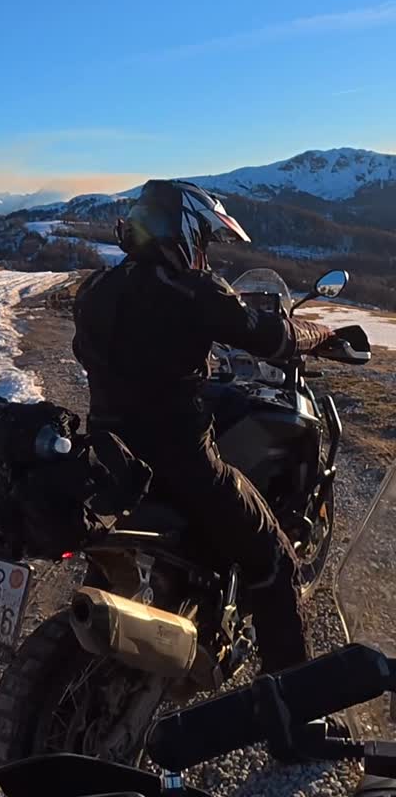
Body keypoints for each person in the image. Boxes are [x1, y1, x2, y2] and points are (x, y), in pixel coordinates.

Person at [72, 178, 335, 674]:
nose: (206, 255)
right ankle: (297, 719)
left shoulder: (97, 289)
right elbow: (271, 337)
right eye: (206, 243)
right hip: (181, 462)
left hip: (111, 452)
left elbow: (94, 356)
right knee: (275, 564)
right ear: (189, 233)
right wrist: (319, 334)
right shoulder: (192, 290)